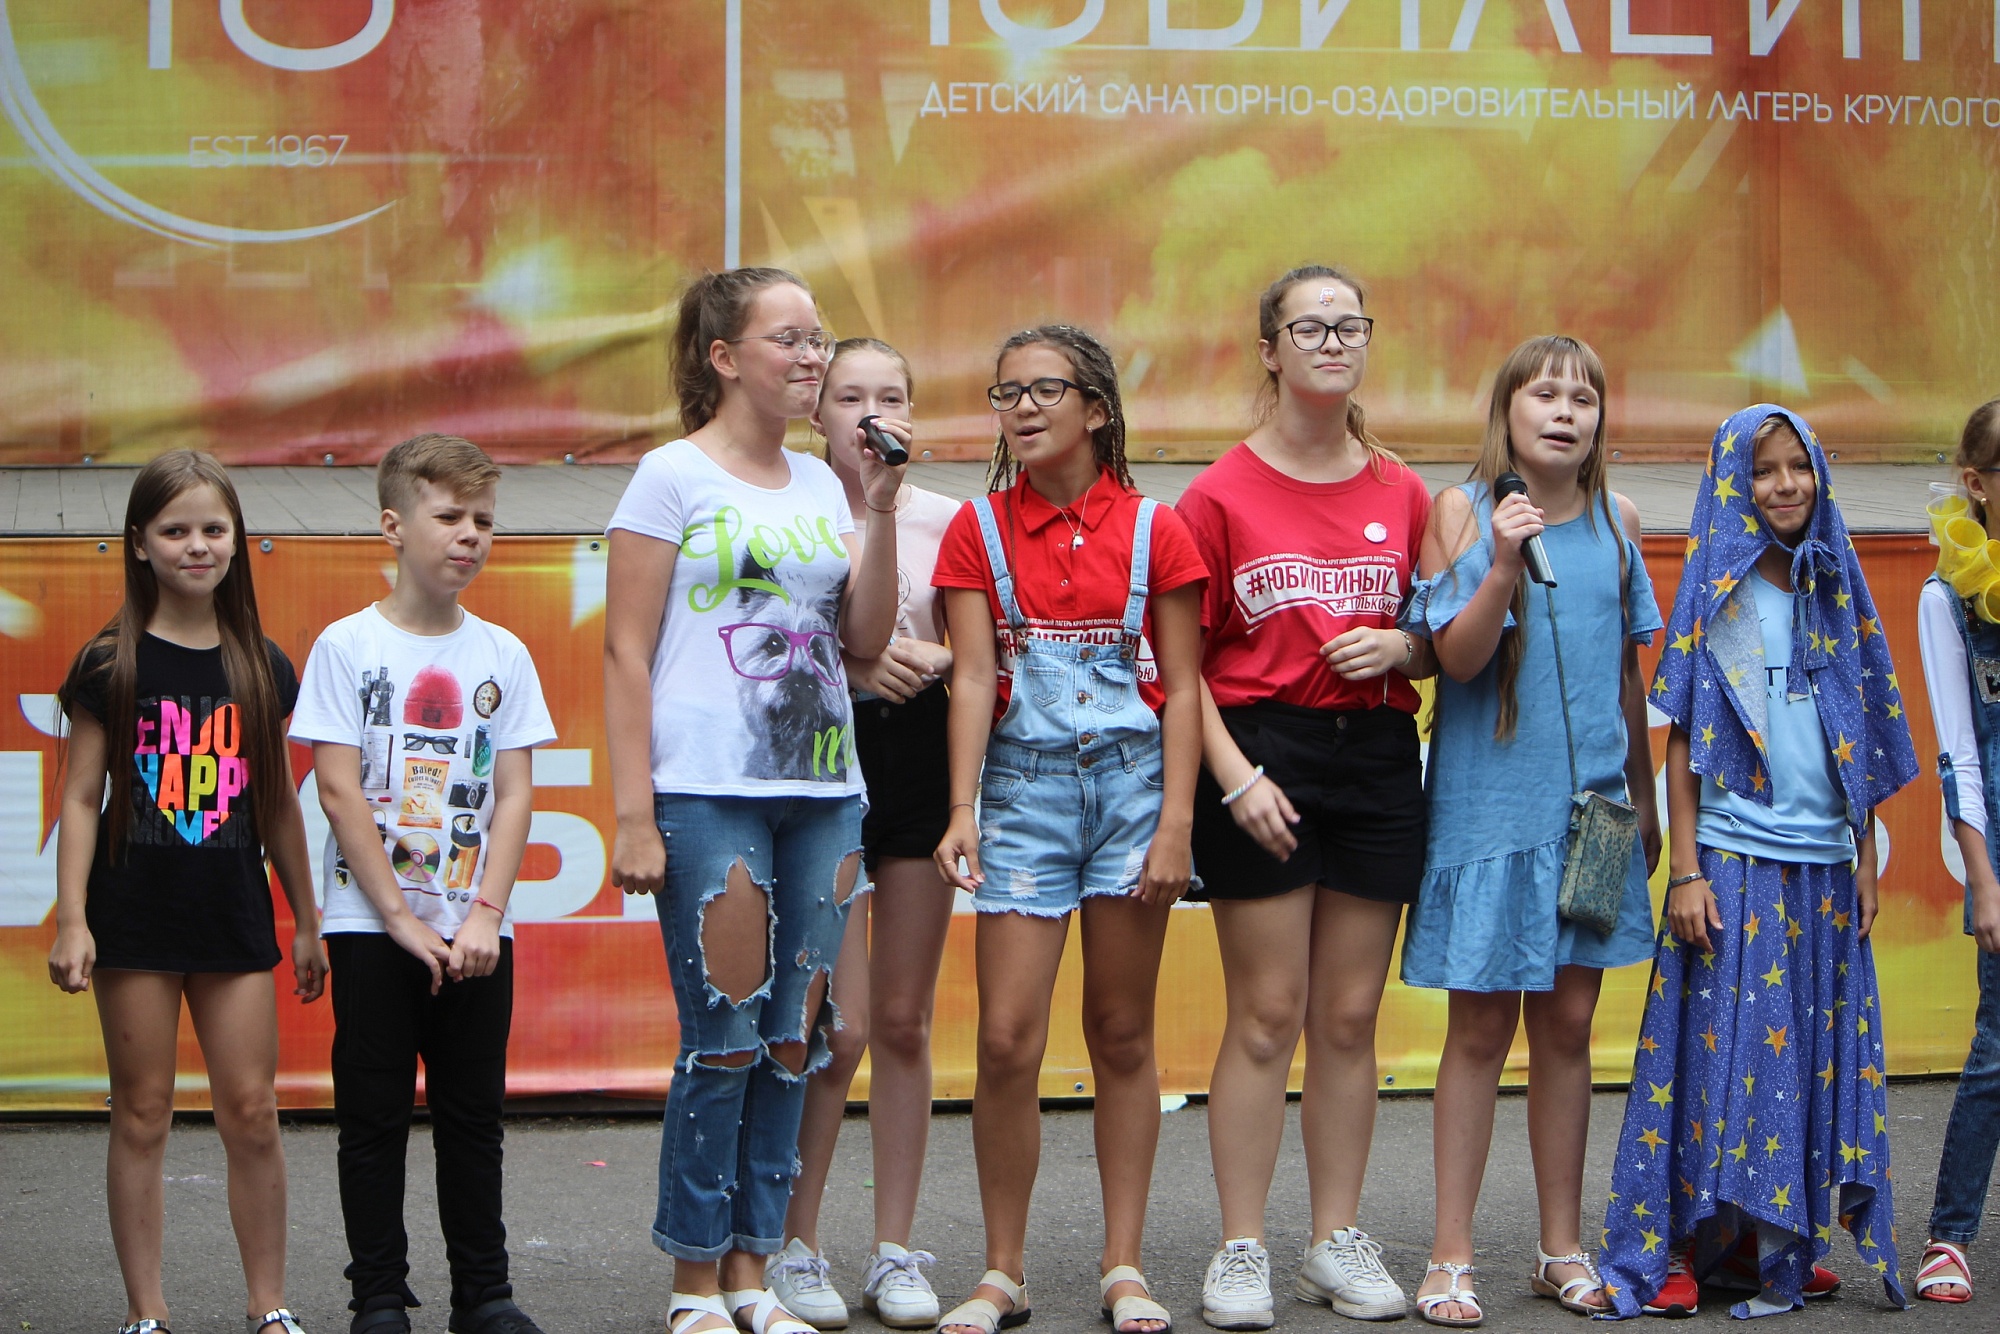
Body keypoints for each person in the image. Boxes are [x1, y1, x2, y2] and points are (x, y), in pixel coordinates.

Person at [602, 268, 904, 1334]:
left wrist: (878, 508)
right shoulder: (669, 476)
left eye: (818, 338)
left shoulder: (823, 482)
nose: (812, 356)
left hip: (823, 790)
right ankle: (693, 1280)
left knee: (791, 1042)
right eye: (790, 339)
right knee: (723, 1036)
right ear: (724, 357)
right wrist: (631, 813)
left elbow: (862, 639)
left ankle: (751, 1271)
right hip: (707, 790)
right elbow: (624, 652)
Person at [1596, 406, 1917, 1318]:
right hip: (1734, 864)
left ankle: (1770, 1244)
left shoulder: (1838, 585)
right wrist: (1687, 870)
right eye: (1764, 470)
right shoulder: (1719, 590)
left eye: (1798, 467)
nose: (1784, 486)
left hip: (1825, 869)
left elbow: (1859, 733)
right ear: (1735, 482)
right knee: (1715, 1064)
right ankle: (1679, 1246)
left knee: (1802, 1066)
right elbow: (1685, 743)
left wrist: (1862, 855)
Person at [930, 324, 1207, 1334]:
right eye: (1006, 392)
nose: (1023, 407)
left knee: (1121, 1031)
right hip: (1020, 794)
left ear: (1095, 408)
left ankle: (1122, 1265)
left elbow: (1185, 689)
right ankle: (1001, 1271)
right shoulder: (977, 527)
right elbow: (971, 677)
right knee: (1006, 1038)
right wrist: (961, 807)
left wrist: (1176, 824)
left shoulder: (1157, 528)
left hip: (1134, 794)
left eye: (1045, 389)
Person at [1174, 265, 1434, 1329]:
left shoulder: (1404, 492)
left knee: (1348, 1014)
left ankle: (1335, 1238)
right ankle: (1240, 1244)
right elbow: (1176, 664)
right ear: (1269, 351)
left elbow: (1445, 636)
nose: (1332, 342)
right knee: (1267, 1012)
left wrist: (1404, 645)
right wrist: (1233, 775)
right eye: (1309, 327)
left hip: (1374, 752)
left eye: (1348, 326)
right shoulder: (1216, 493)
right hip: (1259, 750)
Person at [1400, 336, 1662, 1327]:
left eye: (1582, 398)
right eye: (1544, 394)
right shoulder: (1461, 511)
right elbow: (1458, 659)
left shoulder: (1618, 520)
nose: (1564, 411)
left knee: (1567, 1027)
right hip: (1490, 814)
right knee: (1478, 1029)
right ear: (1505, 411)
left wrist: (1641, 801)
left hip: (1591, 817)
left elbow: (1625, 678)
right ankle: (1450, 1252)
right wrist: (1504, 560)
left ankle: (1561, 1246)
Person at [48, 449, 325, 1334]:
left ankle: (269, 1305)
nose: (196, 546)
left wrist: (307, 919)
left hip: (232, 919)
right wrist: (73, 919)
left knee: (252, 1111)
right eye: (175, 531)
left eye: (213, 529)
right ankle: (147, 1312)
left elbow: (278, 805)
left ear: (238, 539)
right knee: (142, 1113)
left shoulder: (262, 665)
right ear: (139, 543)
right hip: (133, 920)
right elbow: (79, 800)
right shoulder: (109, 664)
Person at [290, 434, 558, 1334]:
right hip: (372, 927)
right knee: (371, 1116)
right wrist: (400, 919)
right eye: (448, 516)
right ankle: (377, 1296)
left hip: (475, 930)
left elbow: (515, 793)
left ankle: (484, 1294)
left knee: (472, 1117)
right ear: (393, 526)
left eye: (483, 519)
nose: (469, 535)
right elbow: (338, 789)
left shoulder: (503, 654)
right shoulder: (346, 645)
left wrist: (485, 913)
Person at [766, 338, 959, 1331]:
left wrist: (928, 657)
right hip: (819, 757)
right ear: (816, 413)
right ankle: (794, 1244)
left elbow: (986, 651)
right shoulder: (786, 501)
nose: (870, 414)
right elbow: (764, 642)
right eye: (849, 396)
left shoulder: (948, 518)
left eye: (890, 395)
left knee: (903, 1021)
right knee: (831, 1027)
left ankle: (895, 1249)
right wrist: (855, 665)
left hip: (918, 757)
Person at [1911, 397, 2000, 1305]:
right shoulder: (1949, 598)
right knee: (1999, 1041)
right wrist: (1984, 879)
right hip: (1998, 832)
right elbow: (1960, 754)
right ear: (1977, 484)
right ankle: (1950, 1234)